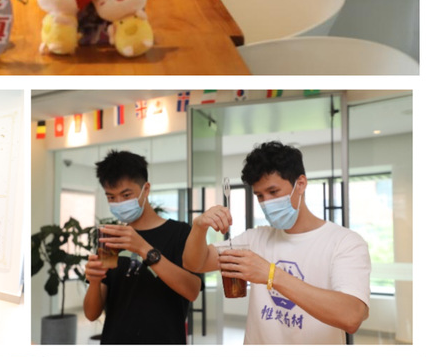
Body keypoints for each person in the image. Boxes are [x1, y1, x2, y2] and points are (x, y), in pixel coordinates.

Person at [182, 140, 371, 345]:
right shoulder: (255, 239)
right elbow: (195, 263)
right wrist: (199, 227)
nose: (267, 203)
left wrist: (271, 274)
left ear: (300, 184)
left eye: (273, 192)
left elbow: (351, 316)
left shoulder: (344, 242)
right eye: (259, 196)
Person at [83, 150, 200, 346]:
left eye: (126, 195)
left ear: (146, 189)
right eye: (111, 197)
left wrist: (144, 249)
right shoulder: (111, 239)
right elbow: (91, 314)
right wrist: (94, 282)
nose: (119, 203)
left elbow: (192, 290)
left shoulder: (180, 233)